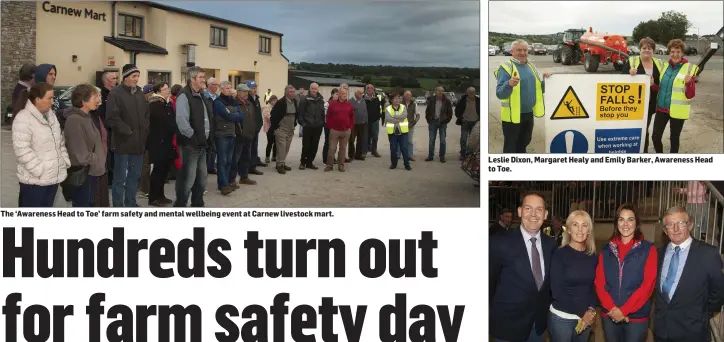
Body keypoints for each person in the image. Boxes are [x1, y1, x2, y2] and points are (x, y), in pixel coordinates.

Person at [490, 192, 556, 342]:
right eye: (528, 208)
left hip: (538, 326)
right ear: (519, 212)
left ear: (545, 214)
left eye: (539, 209)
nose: (533, 214)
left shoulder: (551, 245)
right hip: (507, 326)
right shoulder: (498, 242)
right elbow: (489, 282)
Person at [653, 206, 724, 342]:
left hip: (693, 331)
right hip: (662, 331)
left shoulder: (707, 254)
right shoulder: (658, 254)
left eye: (681, 223)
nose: (676, 229)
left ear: (690, 225)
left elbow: (718, 293)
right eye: (670, 225)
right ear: (664, 230)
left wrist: (700, 314)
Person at [594, 203, 657, 342]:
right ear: (616, 223)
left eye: (630, 219)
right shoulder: (606, 250)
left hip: (636, 318)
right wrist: (612, 309)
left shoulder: (648, 249)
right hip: (609, 315)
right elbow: (599, 283)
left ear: (637, 222)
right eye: (621, 219)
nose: (625, 224)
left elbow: (648, 285)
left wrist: (623, 311)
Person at [12, 83, 69, 207]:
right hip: (34, 182)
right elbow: (22, 150)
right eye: (50, 98)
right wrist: (39, 170)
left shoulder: (51, 116)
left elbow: (60, 142)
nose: (53, 101)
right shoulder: (23, 118)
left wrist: (63, 161)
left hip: (52, 179)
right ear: (37, 99)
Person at [548, 210, 598, 342]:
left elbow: (593, 286)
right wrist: (584, 313)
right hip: (562, 318)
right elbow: (557, 292)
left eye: (584, 225)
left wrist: (591, 309)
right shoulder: (560, 254)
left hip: (585, 318)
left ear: (589, 231)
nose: (580, 229)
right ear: (568, 230)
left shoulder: (592, 256)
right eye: (575, 225)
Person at [495, 39, 552, 153]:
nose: (523, 53)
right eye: (519, 50)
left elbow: (538, 89)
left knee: (524, 143)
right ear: (512, 51)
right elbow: (500, 93)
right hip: (512, 116)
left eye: (525, 50)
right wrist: (509, 84)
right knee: (511, 147)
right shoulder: (506, 68)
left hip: (528, 114)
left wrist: (546, 81)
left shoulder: (531, 66)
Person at [105, 63, 149, 207]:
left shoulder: (139, 93)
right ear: (125, 77)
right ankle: (118, 206)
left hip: (138, 144)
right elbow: (111, 118)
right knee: (120, 178)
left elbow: (146, 115)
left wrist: (145, 129)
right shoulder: (115, 93)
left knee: (134, 177)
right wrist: (127, 130)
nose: (137, 79)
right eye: (134, 76)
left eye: (138, 76)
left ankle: (131, 203)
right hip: (122, 144)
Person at [174, 66, 214, 207]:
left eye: (204, 77)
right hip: (190, 145)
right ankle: (180, 205)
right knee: (187, 179)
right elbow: (182, 122)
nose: (204, 80)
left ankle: (197, 204)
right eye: (201, 77)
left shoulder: (201, 94)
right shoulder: (184, 95)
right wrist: (194, 138)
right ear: (192, 79)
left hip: (202, 145)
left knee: (201, 179)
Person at [651, 39, 698, 154]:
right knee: (655, 137)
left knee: (674, 139)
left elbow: (690, 94)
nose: (675, 54)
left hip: (677, 111)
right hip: (661, 109)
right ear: (669, 52)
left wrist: (689, 83)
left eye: (678, 51)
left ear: (682, 53)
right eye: (672, 51)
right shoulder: (664, 67)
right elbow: (661, 89)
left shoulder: (688, 69)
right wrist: (653, 86)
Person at [63, 84, 106, 207]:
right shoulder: (74, 120)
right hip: (84, 173)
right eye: (94, 97)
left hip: (91, 172)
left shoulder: (87, 117)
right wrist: (95, 158)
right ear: (83, 101)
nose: (98, 100)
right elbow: (79, 153)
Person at [622, 37, 663, 153]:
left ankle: (643, 152)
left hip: (650, 104)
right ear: (639, 49)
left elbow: (662, 86)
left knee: (644, 128)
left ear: (653, 51)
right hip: (633, 104)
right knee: (634, 128)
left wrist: (653, 85)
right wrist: (629, 75)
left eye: (650, 48)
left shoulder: (659, 63)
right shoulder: (631, 61)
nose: (647, 50)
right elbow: (620, 82)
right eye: (644, 48)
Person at [147, 82, 176, 206]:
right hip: (159, 143)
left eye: (167, 88)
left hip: (166, 143)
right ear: (158, 91)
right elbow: (161, 123)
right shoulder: (156, 105)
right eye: (165, 89)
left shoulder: (165, 103)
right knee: (158, 171)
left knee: (164, 171)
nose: (168, 90)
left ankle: (161, 195)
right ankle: (153, 197)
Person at [212, 81, 244, 195]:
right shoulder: (218, 102)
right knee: (222, 161)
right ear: (221, 90)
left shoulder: (234, 101)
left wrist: (233, 115)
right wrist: (233, 115)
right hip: (222, 135)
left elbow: (241, 115)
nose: (229, 90)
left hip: (232, 134)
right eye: (227, 88)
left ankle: (227, 182)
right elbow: (228, 115)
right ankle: (223, 185)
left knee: (229, 161)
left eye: (230, 88)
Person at [229, 83, 258, 186]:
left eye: (247, 91)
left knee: (246, 158)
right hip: (239, 136)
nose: (246, 93)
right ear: (238, 92)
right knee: (235, 159)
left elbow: (253, 119)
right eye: (244, 91)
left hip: (249, 136)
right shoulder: (234, 103)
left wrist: (253, 130)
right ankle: (231, 180)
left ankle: (244, 177)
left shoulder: (249, 104)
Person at [269, 85, 298, 174]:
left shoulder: (295, 101)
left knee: (286, 147)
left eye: (293, 92)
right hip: (281, 129)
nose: (292, 93)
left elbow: (296, 113)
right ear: (286, 92)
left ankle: (282, 162)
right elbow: (273, 115)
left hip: (290, 129)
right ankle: (279, 165)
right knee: (281, 147)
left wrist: (294, 124)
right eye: (290, 92)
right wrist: (276, 127)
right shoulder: (280, 102)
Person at [96, 71, 118, 189]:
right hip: (105, 129)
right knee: (106, 153)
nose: (116, 80)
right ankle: (107, 178)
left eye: (116, 78)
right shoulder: (101, 94)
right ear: (106, 80)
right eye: (113, 78)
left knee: (113, 154)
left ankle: (112, 177)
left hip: (115, 130)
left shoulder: (116, 93)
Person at [324, 87, 354, 172]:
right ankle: (329, 165)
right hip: (335, 131)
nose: (345, 95)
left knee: (343, 149)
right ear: (339, 94)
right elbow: (328, 116)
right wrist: (331, 127)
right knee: (332, 148)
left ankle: (341, 165)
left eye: (346, 94)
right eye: (343, 93)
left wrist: (350, 128)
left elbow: (352, 117)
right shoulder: (332, 104)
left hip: (346, 131)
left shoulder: (349, 105)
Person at [297, 82, 326, 170]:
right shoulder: (304, 99)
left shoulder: (321, 100)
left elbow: (322, 113)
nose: (314, 90)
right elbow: (300, 113)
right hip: (307, 126)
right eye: (312, 88)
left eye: (315, 88)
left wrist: (322, 123)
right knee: (306, 146)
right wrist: (303, 124)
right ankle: (302, 162)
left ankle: (310, 162)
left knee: (314, 146)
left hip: (318, 127)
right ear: (310, 89)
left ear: (318, 89)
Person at [424, 86, 453, 163]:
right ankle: (430, 156)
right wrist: (429, 120)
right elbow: (427, 111)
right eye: (439, 91)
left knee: (443, 141)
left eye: (442, 91)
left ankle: (442, 156)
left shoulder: (447, 101)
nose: (441, 92)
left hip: (442, 123)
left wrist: (446, 121)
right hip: (433, 122)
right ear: (436, 91)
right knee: (431, 140)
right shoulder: (431, 100)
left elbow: (450, 113)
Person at [384, 92, 412, 170]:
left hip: (403, 132)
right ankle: (393, 164)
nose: (397, 100)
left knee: (404, 148)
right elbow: (387, 118)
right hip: (392, 133)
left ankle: (407, 164)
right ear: (391, 100)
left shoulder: (403, 107)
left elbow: (404, 116)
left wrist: (394, 117)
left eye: (398, 99)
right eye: (395, 99)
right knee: (393, 149)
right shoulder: (388, 108)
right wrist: (398, 119)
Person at [455, 86, 480, 161]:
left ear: (475, 93)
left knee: (472, 140)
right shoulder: (462, 100)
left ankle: (469, 154)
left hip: (475, 122)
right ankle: (463, 154)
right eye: (470, 92)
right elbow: (457, 111)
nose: (471, 93)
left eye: (473, 92)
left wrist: (479, 119)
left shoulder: (479, 100)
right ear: (467, 92)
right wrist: (461, 119)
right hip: (465, 122)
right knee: (463, 139)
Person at [246, 81, 267, 170]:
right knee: (249, 148)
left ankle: (255, 161)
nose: (254, 89)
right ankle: (251, 166)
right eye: (252, 88)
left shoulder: (256, 99)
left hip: (256, 128)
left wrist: (260, 124)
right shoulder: (247, 99)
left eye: (255, 87)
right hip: (250, 128)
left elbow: (258, 113)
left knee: (255, 146)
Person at [364, 84, 384, 158]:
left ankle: (374, 150)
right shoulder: (363, 98)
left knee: (375, 136)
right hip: (366, 120)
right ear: (366, 90)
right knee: (366, 136)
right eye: (368, 88)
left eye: (371, 88)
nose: (369, 89)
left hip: (375, 120)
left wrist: (381, 118)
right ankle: (365, 151)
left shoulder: (379, 98)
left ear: (374, 90)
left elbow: (383, 108)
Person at [348, 88, 369, 161]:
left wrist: (366, 120)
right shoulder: (350, 101)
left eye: (362, 93)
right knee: (351, 140)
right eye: (360, 93)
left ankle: (358, 155)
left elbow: (365, 111)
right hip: (353, 124)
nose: (361, 95)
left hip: (362, 123)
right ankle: (351, 155)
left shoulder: (363, 101)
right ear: (355, 93)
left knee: (360, 139)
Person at [399, 90, 420, 161]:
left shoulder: (414, 104)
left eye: (410, 95)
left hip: (410, 125)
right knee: (400, 140)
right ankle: (397, 154)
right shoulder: (399, 103)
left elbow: (418, 115)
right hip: (400, 125)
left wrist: (414, 122)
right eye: (407, 95)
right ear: (404, 96)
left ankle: (410, 155)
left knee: (409, 141)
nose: (408, 96)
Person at [322, 88, 339, 165]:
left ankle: (332, 157)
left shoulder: (340, 103)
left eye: (338, 94)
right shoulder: (327, 103)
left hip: (337, 126)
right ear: (332, 94)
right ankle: (325, 158)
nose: (337, 96)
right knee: (328, 142)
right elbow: (325, 116)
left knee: (334, 143)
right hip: (328, 126)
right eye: (336, 94)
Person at [263, 95, 278, 164]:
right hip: (269, 128)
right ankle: (267, 157)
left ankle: (274, 156)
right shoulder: (267, 107)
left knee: (276, 143)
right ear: (270, 101)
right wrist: (275, 118)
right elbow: (267, 117)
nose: (275, 102)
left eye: (276, 100)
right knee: (270, 142)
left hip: (276, 127)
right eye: (273, 100)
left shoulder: (277, 107)